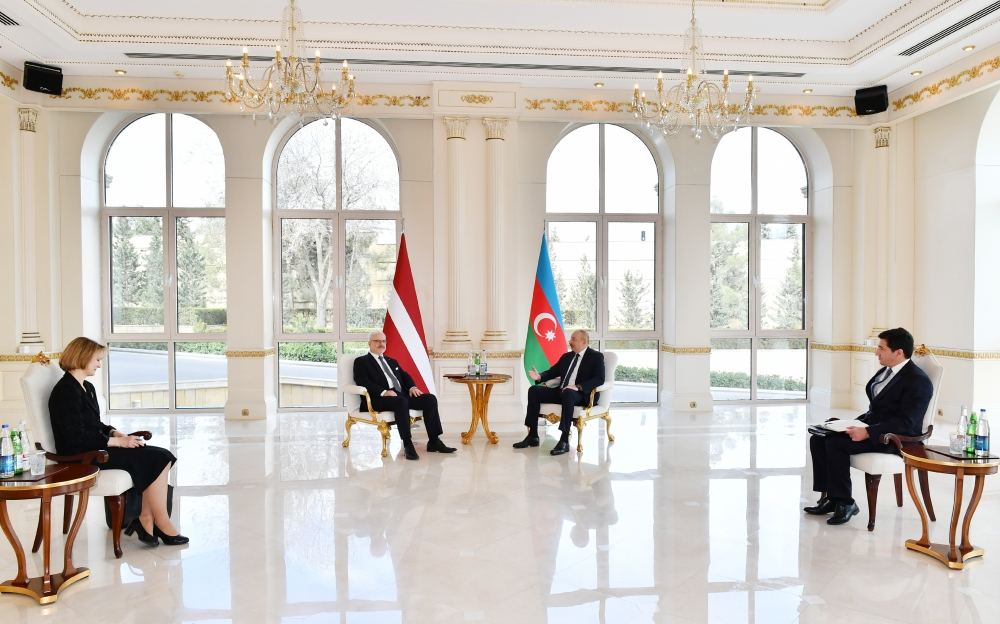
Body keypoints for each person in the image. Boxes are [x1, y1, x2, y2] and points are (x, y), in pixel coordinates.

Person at [48, 337, 188, 546]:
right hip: (82, 455)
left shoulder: (86, 387)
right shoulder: (65, 391)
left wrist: (115, 433)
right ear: (83, 357)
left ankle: (147, 519)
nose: (99, 365)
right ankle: (159, 522)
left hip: (96, 447)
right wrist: (117, 443)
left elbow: (94, 424)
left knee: (162, 455)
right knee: (157, 457)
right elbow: (76, 437)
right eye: (96, 359)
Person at [805, 327, 932, 525]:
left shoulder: (919, 381)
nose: (876, 352)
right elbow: (877, 409)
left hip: (895, 439)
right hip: (874, 426)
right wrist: (847, 424)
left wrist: (868, 432)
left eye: (881, 348)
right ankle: (832, 498)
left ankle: (845, 503)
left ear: (899, 352)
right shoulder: (887, 371)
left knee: (835, 444)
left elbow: (907, 422)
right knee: (818, 438)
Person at [353, 331, 456, 460]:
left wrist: (412, 387)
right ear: (369, 343)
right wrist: (384, 392)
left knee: (430, 399)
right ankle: (408, 444)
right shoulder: (361, 361)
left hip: (400, 396)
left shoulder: (391, 361)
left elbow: (405, 375)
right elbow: (362, 381)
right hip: (378, 398)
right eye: (377, 341)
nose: (381, 344)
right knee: (401, 402)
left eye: (383, 341)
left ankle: (434, 441)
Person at [513, 329, 606, 456]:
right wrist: (539, 376)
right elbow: (553, 371)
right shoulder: (567, 357)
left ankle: (564, 440)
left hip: (581, 394)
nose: (570, 341)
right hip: (562, 391)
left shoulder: (596, 357)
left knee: (568, 393)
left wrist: (578, 386)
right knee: (534, 390)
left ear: (583, 342)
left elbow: (599, 379)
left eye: (573, 339)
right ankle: (533, 436)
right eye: (571, 339)